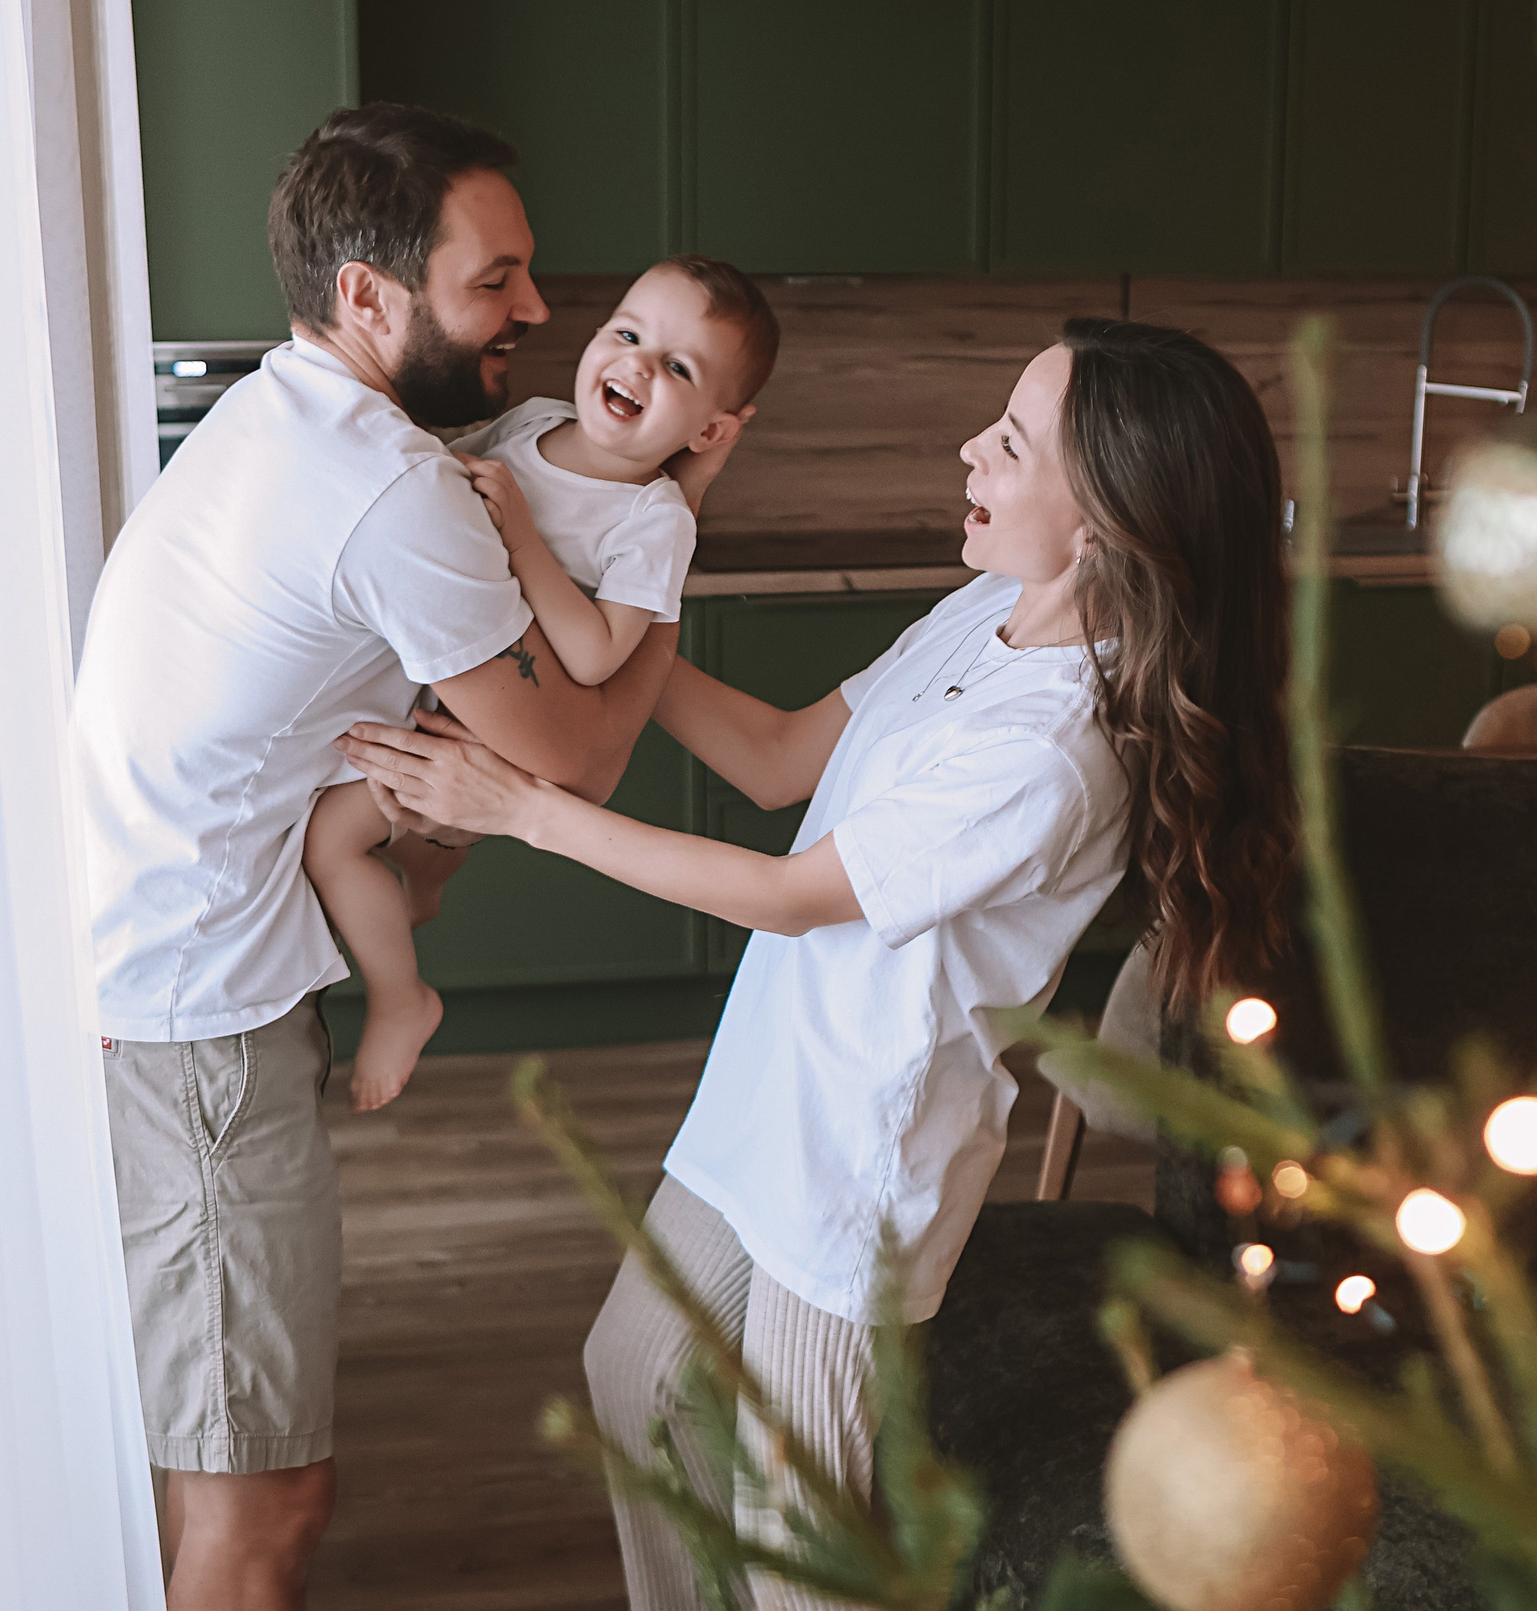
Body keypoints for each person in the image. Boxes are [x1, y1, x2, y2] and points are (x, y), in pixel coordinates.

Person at [338, 318, 1299, 1607]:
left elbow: (791, 894)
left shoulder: (1052, 749)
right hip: (763, 1098)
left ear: (1106, 525)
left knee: (806, 1554)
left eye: (1008, 443)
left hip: (857, 1162)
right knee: (637, 1385)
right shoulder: (988, 613)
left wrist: (521, 803)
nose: (969, 446)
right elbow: (782, 756)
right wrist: (616, 595)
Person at [71, 103, 712, 1611]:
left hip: (165, 969)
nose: (540, 313)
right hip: (199, 1019)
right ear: (371, 294)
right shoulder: (394, 490)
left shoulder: (291, 411)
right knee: (269, 1499)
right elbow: (568, 757)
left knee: (217, 1451)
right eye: (498, 280)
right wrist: (672, 528)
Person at [305, 254, 778, 1111]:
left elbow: (598, 654)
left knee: (333, 844)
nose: (636, 363)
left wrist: (522, 539)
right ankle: (425, 887)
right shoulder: (530, 422)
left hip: (496, 739)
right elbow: (431, 476)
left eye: (677, 367)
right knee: (401, 852)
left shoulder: (655, 519)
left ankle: (402, 999)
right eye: (628, 334)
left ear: (710, 431)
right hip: (436, 690)